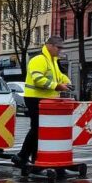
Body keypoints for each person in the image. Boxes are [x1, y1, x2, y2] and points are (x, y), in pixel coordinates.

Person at [16, 36, 71, 167]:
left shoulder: (51, 61)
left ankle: (34, 157)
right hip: (35, 98)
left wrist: (67, 82)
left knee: (40, 130)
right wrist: (57, 86)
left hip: (46, 99)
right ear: (50, 46)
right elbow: (38, 79)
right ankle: (22, 156)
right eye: (59, 47)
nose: (60, 50)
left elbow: (59, 76)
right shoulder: (39, 60)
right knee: (37, 128)